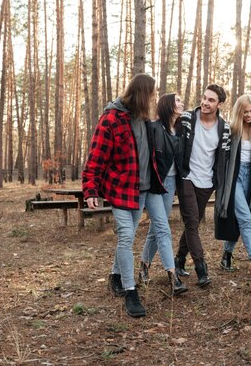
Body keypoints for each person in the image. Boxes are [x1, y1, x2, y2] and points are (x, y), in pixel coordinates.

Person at [82, 73, 169, 318]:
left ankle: (116, 275)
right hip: (120, 189)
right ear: (143, 94)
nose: (155, 98)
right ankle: (131, 292)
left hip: (141, 190)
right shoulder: (111, 118)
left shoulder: (144, 118)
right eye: (153, 93)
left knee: (127, 238)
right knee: (126, 237)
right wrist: (90, 190)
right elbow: (95, 158)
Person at [174, 84, 230, 287]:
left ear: (220, 104)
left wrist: (218, 181)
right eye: (204, 98)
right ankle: (201, 268)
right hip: (187, 176)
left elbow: (223, 157)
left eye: (211, 100)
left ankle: (179, 260)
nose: (205, 102)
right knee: (191, 223)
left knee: (193, 222)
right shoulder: (188, 118)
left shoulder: (224, 128)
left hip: (207, 182)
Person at [138, 93, 188, 296]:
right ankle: (173, 277)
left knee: (156, 229)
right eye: (177, 100)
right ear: (167, 105)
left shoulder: (180, 129)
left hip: (169, 184)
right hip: (153, 184)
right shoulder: (153, 127)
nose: (181, 103)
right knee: (163, 228)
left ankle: (143, 268)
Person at [214, 94, 251, 281]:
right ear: (239, 111)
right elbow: (222, 157)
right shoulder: (231, 130)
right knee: (245, 219)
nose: (249, 114)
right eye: (245, 111)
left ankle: (226, 256)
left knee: (239, 219)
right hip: (233, 178)